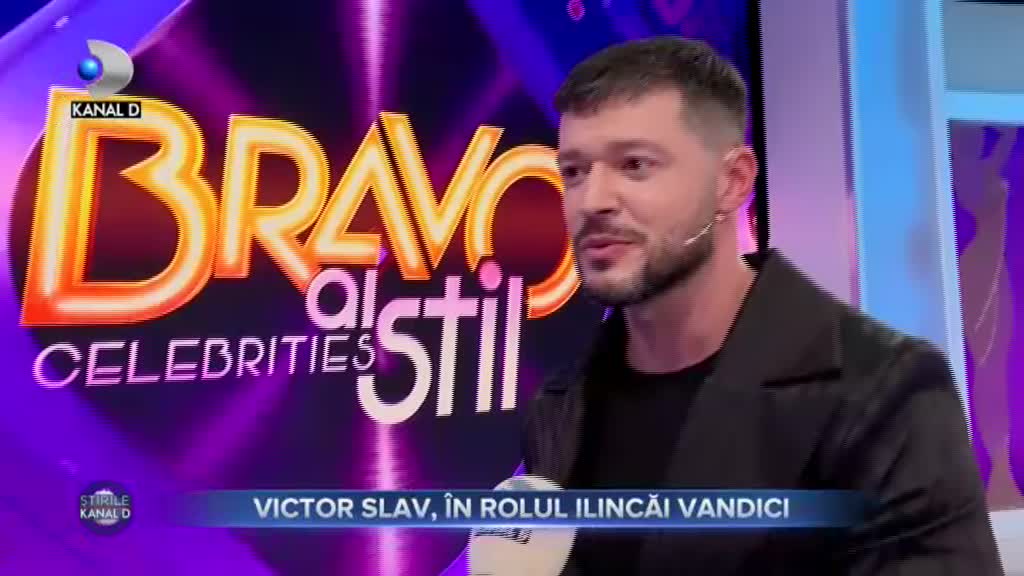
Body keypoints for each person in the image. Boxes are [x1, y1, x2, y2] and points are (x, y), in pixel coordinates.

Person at [521, 36, 1003, 575]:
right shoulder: (561, 404)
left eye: (635, 165)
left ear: (732, 183)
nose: (592, 202)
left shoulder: (885, 390)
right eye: (574, 172)